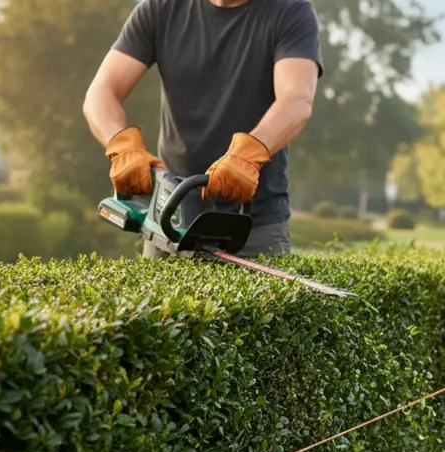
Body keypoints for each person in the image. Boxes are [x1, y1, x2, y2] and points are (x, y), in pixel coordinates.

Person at [82, 0, 323, 259]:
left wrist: (248, 155)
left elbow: (296, 99)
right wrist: (122, 148)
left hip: (252, 226)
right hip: (169, 219)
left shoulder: (289, 10)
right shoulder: (160, 9)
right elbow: (101, 93)